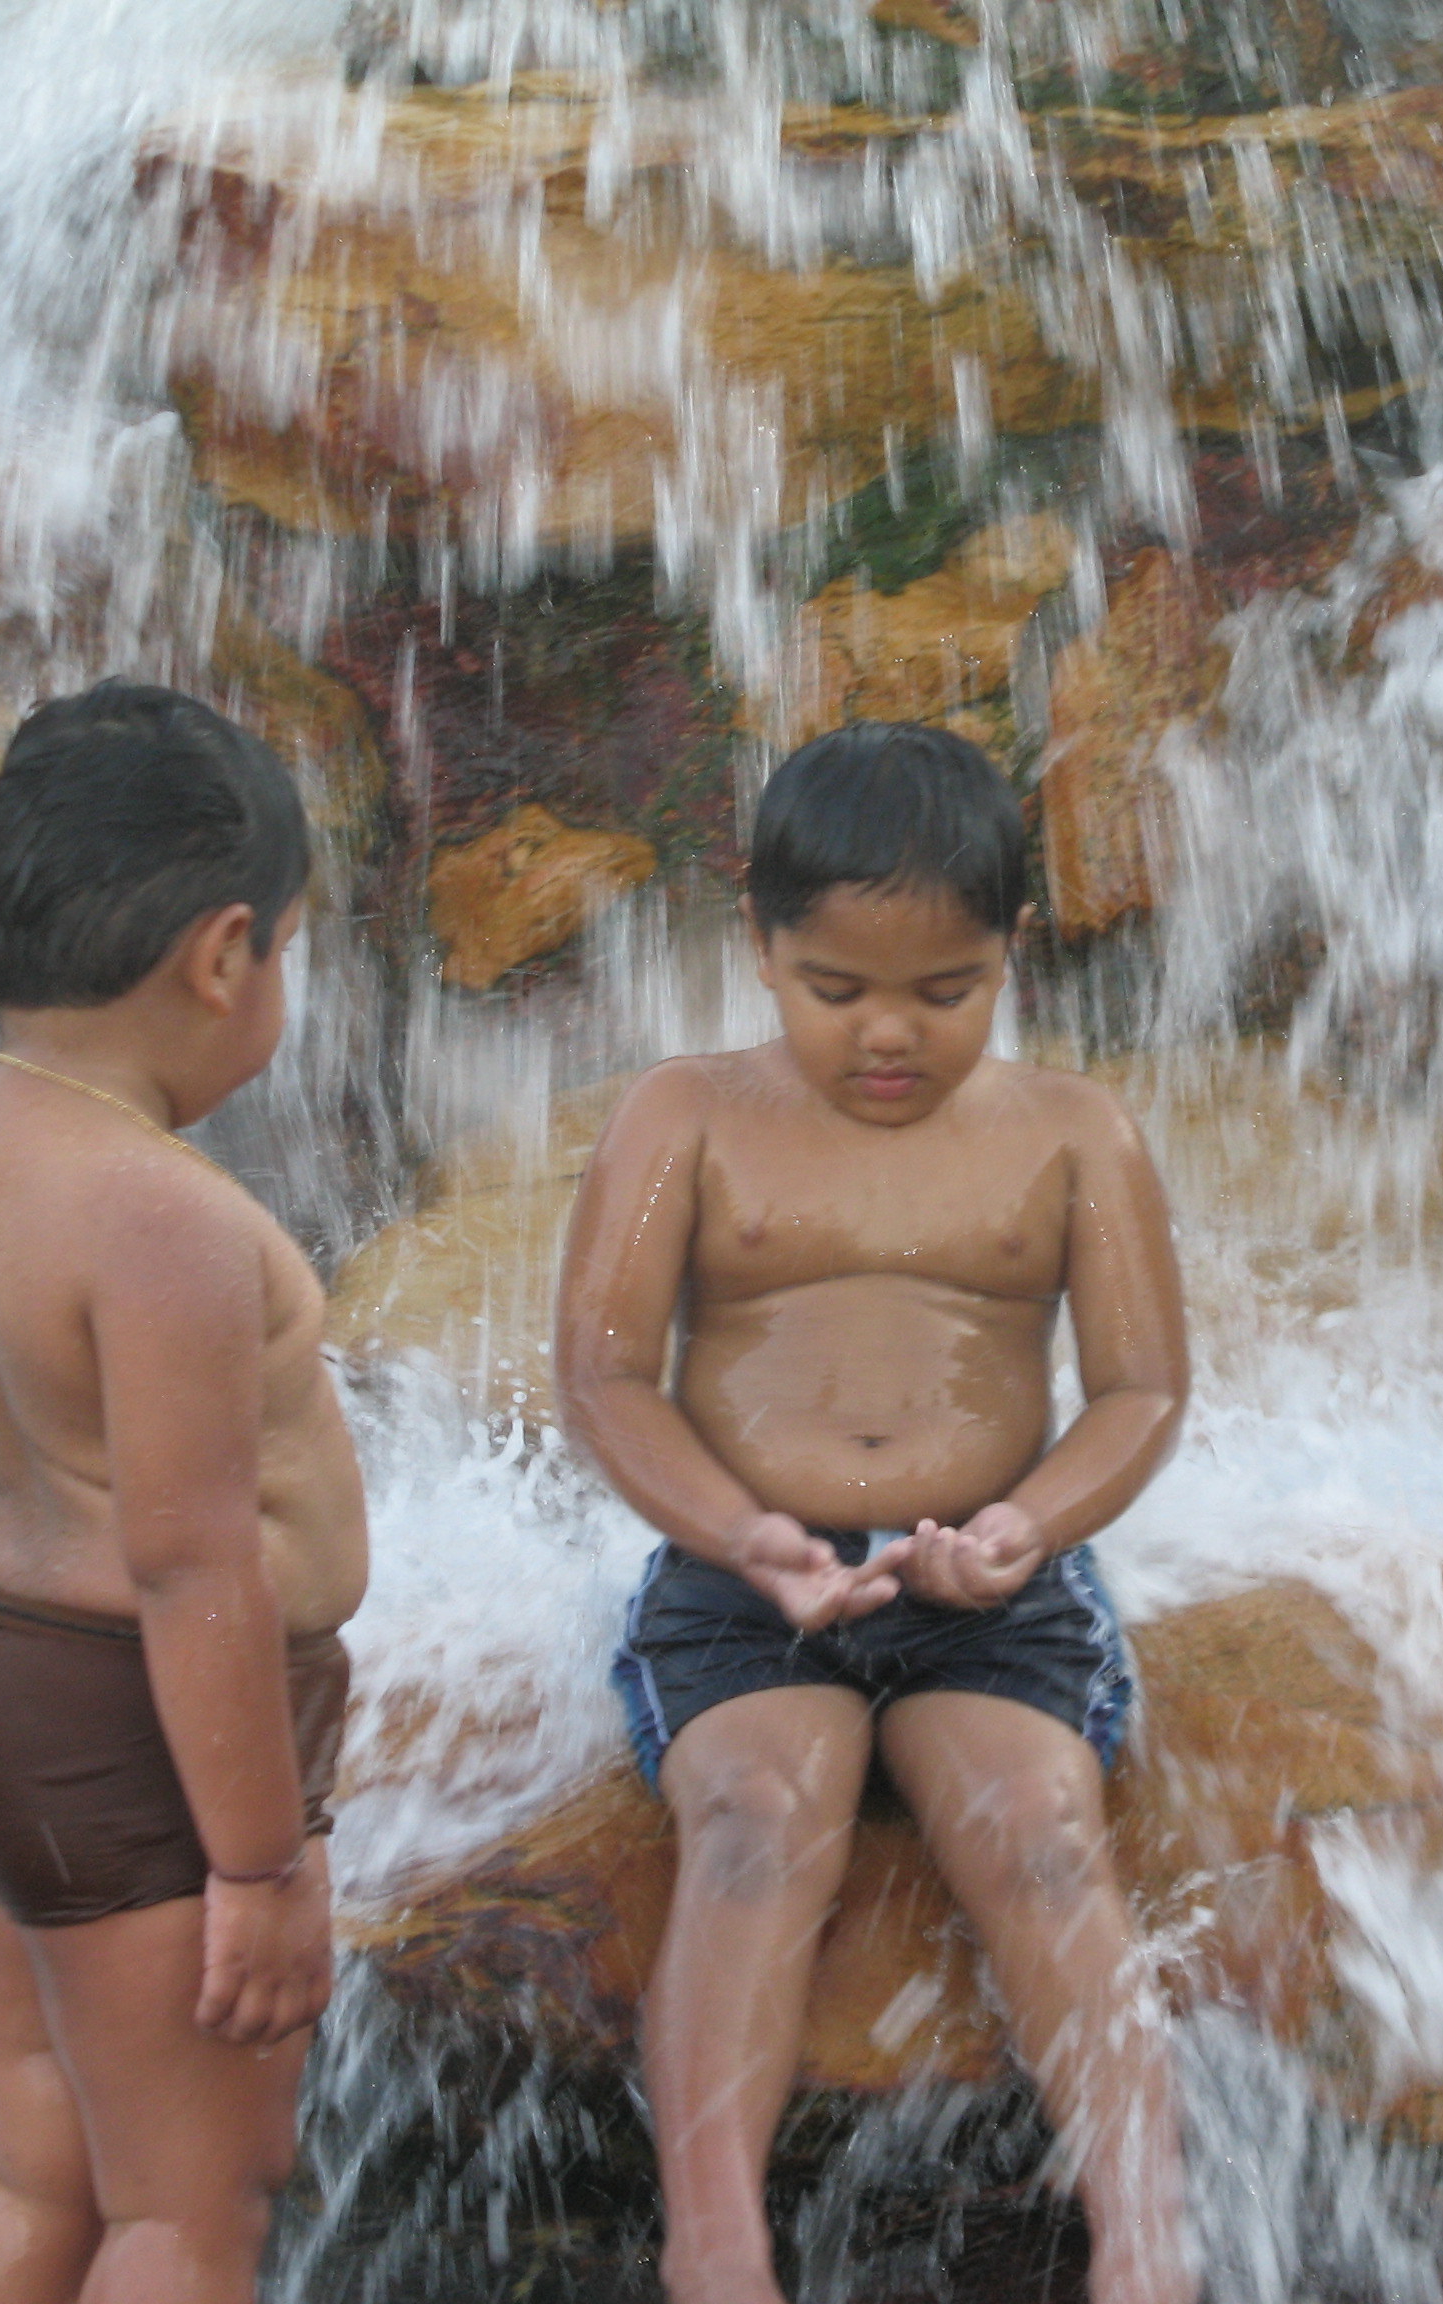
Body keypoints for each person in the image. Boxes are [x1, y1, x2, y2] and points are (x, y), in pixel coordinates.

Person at [557, 721, 1197, 2304]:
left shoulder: (1075, 1134)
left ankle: (1146, 2235)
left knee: (1041, 1836)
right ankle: (716, 2240)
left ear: (1013, 952)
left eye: (948, 991)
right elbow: (607, 1377)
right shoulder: (684, 1118)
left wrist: (1030, 1526)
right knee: (754, 1823)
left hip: (986, 1579)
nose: (890, 1034)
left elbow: (1139, 1390)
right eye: (837, 990)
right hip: (745, 1579)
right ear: (761, 945)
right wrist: (742, 1533)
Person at [0, 680, 367, 2304]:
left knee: (35, 2169)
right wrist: (261, 1868)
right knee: (187, 2212)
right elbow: (189, 1561)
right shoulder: (162, 1215)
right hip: (133, 1743)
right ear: (225, 954)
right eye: (286, 951)